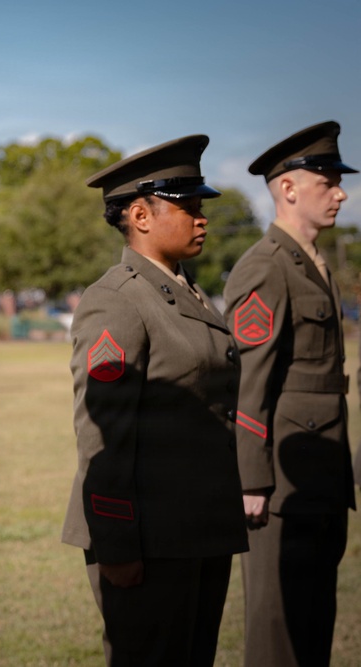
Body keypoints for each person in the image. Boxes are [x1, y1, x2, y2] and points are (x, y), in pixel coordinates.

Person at [61, 136, 248, 666]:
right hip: (149, 535)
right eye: (188, 206)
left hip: (197, 526)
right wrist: (117, 544)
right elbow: (102, 433)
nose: (202, 217)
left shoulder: (185, 290)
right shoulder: (116, 301)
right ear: (140, 215)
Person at [223, 121, 357, 667]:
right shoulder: (267, 266)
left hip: (319, 472)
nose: (341, 192)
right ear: (289, 188)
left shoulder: (313, 263)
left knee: (313, 619)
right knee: (278, 630)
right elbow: (249, 380)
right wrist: (252, 479)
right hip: (279, 482)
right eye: (328, 181)